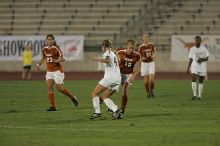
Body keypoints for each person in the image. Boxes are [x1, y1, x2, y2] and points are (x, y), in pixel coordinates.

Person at [36, 34, 78, 111]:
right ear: (46, 40)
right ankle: (53, 106)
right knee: (49, 87)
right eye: (48, 39)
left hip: (57, 71)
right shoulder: (44, 49)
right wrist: (38, 64)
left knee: (59, 88)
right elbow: (43, 58)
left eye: (51, 39)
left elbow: (63, 59)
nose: (49, 41)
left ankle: (72, 97)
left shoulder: (56, 48)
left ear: (53, 40)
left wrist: (57, 60)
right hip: (49, 71)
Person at [89, 40, 121, 120]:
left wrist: (96, 59)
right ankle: (116, 110)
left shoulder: (107, 53)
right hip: (117, 79)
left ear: (104, 46)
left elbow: (107, 60)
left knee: (94, 93)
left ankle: (97, 112)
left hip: (110, 78)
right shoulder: (113, 53)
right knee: (105, 97)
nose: (101, 48)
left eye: (102, 46)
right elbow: (119, 61)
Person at [114, 39, 141, 119]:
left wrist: (133, 76)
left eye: (133, 48)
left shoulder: (137, 55)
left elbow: (138, 67)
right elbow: (113, 55)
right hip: (118, 74)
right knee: (112, 90)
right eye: (130, 48)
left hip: (128, 75)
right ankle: (111, 107)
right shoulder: (120, 52)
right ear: (127, 46)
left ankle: (122, 111)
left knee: (125, 91)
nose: (132, 50)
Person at [187, 36, 209, 100]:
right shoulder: (192, 49)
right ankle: (194, 95)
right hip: (194, 66)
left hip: (202, 66)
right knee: (193, 78)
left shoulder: (204, 49)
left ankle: (199, 96)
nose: (197, 41)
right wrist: (188, 68)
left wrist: (202, 59)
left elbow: (207, 58)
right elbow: (191, 59)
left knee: (201, 81)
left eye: (198, 40)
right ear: (195, 41)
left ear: (200, 41)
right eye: (196, 40)